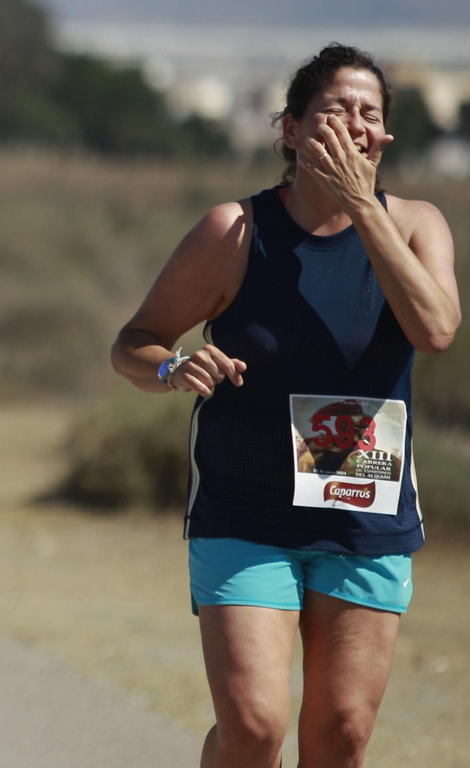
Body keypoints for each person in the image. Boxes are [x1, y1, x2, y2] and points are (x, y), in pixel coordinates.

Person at [111, 44, 459, 768]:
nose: (354, 124)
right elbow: (134, 343)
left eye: (369, 113)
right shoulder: (234, 232)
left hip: (364, 513)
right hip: (247, 512)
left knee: (342, 735)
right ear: (291, 130)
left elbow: (435, 331)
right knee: (253, 726)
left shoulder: (417, 225)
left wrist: (362, 206)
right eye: (335, 110)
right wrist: (174, 367)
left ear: (385, 136)